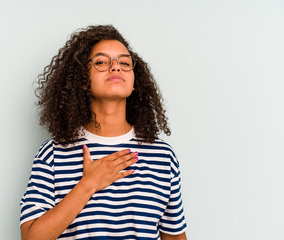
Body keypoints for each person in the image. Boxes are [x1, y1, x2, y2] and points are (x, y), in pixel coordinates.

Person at [20, 25, 187, 240]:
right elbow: (31, 237)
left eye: (125, 63)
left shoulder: (162, 155)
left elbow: (174, 236)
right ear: (82, 80)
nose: (116, 68)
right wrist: (88, 185)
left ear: (135, 82)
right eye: (101, 62)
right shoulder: (53, 153)